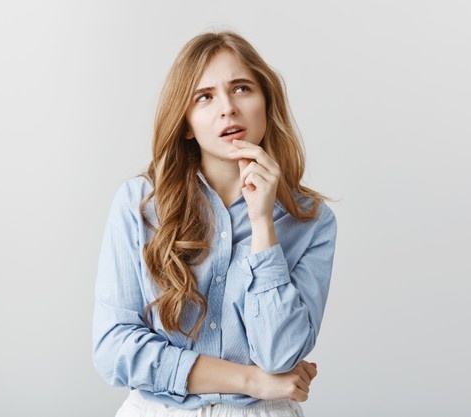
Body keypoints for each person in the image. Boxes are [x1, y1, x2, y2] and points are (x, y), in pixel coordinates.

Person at [92, 30, 337, 417]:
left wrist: (263, 224)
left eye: (241, 88)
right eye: (204, 96)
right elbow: (114, 350)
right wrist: (249, 380)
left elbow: (280, 356)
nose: (228, 108)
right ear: (187, 123)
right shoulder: (139, 204)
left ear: (265, 102)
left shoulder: (311, 221)